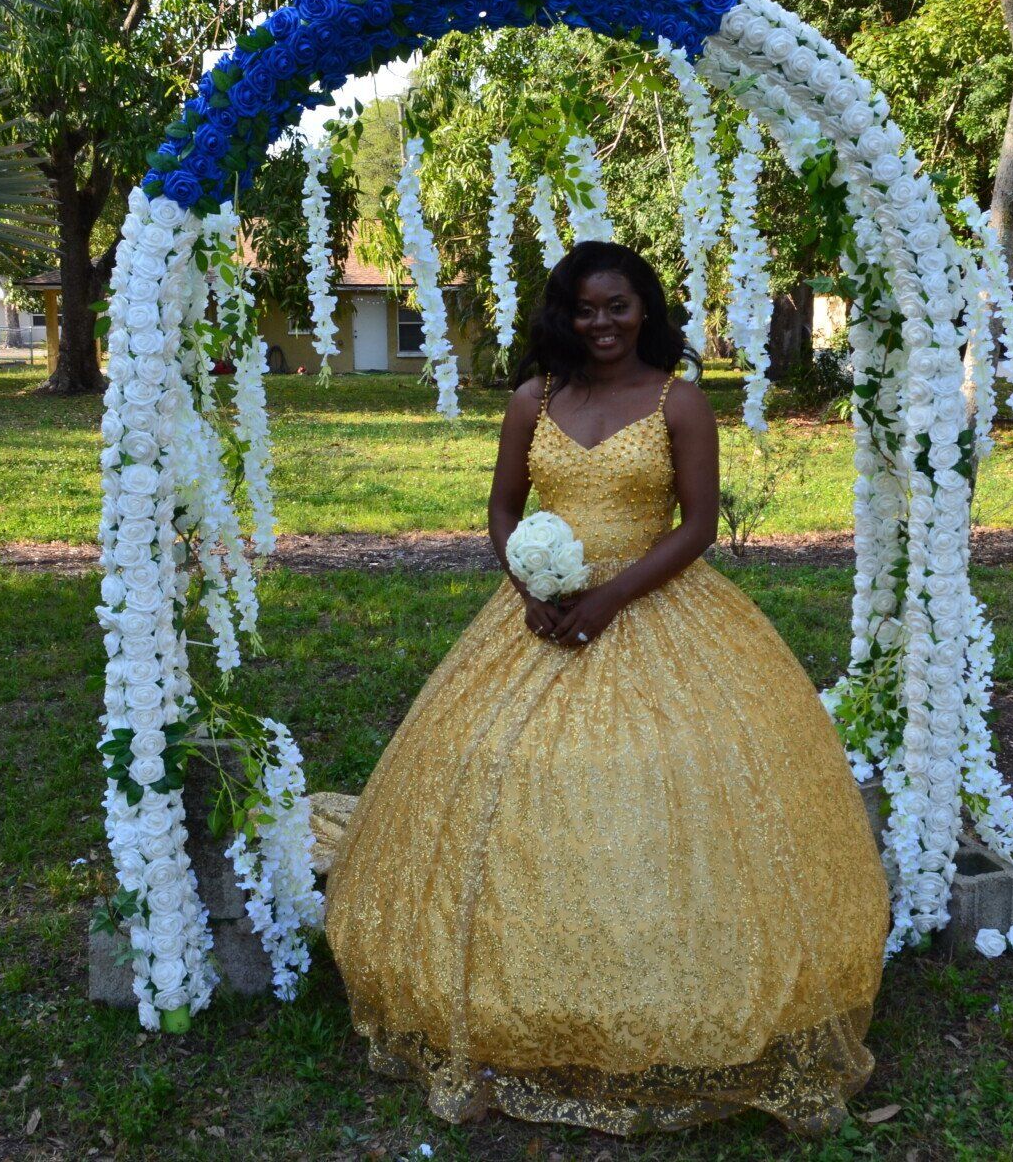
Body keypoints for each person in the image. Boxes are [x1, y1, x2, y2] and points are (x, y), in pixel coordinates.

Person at [324, 241, 888, 1135]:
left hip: (654, 600)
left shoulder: (680, 401)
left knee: (676, 767)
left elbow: (696, 527)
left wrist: (610, 598)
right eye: (585, 308)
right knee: (504, 762)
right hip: (543, 610)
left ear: (645, 309)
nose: (601, 323)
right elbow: (503, 508)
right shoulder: (533, 399)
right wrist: (531, 588)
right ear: (565, 314)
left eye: (617, 306)